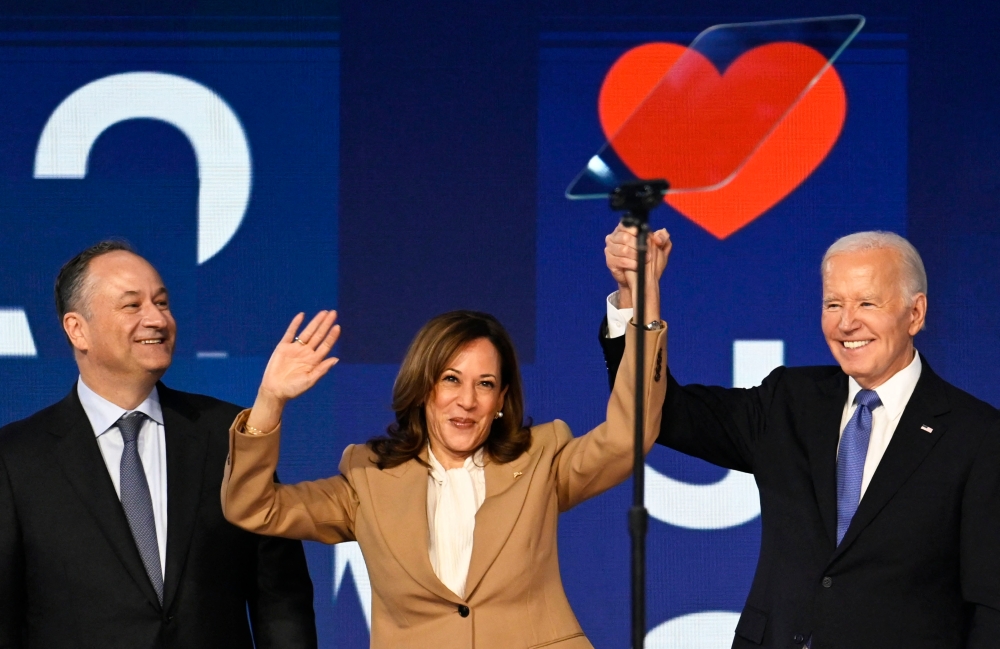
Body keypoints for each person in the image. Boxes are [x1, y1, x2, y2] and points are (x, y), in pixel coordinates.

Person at [219, 243, 668, 649]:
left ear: (501, 401)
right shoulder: (367, 479)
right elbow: (252, 506)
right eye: (451, 379)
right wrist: (269, 400)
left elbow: (629, 435)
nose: (467, 401)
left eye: (485, 384)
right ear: (423, 386)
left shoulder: (540, 459)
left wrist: (639, 307)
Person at [601, 226, 1000, 649]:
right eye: (833, 304)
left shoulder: (976, 436)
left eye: (867, 302)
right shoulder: (790, 401)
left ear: (915, 314)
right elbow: (660, 412)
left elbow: (991, 605)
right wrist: (636, 299)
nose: (847, 322)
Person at [0, 241, 317, 649]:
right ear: (77, 329)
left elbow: (281, 600)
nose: (157, 319)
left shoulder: (230, 434)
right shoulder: (16, 458)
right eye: (132, 306)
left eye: (162, 303)